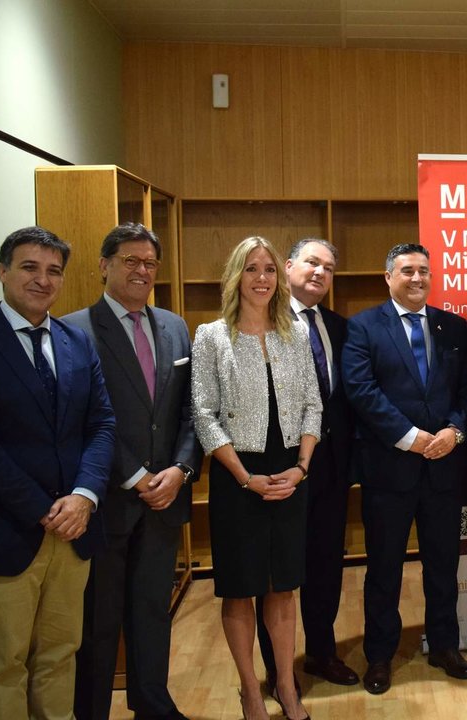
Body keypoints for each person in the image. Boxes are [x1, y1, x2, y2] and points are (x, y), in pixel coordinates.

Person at [0, 226, 115, 719]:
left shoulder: (76, 343)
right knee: (2, 667)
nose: (43, 280)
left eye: (53, 270)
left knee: (60, 656)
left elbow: (101, 424)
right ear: (3, 272)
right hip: (4, 534)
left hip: (74, 531)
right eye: (29, 267)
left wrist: (83, 496)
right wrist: (44, 510)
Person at [65, 223, 200, 720]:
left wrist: (181, 468)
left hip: (165, 499)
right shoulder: (74, 329)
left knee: (151, 614)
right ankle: (93, 711)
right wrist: (136, 475)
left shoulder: (174, 326)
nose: (141, 270)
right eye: (130, 260)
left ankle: (152, 703)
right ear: (103, 264)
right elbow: (83, 417)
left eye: (149, 263)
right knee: (98, 623)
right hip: (107, 502)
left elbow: (191, 411)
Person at [191, 236, 322, 720]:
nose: (262, 277)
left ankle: (285, 686)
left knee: (283, 587)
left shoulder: (296, 334)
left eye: (269, 268)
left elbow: (313, 404)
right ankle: (250, 690)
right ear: (235, 277)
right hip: (237, 476)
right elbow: (204, 415)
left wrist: (302, 467)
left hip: (290, 471)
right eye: (251, 269)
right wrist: (246, 478)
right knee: (240, 587)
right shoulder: (211, 336)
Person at [342, 243, 467, 695]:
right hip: (388, 470)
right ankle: (379, 656)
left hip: (443, 468)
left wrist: (454, 432)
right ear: (388, 276)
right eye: (406, 271)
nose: (417, 278)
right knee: (384, 569)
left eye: (423, 270)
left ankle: (444, 645)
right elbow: (361, 391)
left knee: (443, 564)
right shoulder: (362, 327)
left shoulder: (454, 327)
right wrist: (410, 437)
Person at [254, 239, 359, 693]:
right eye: (312, 263)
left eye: (329, 268)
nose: (320, 272)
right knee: (276, 575)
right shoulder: (262, 323)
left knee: (324, 567)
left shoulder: (339, 326)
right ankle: (279, 673)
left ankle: (321, 652)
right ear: (289, 266)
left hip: (331, 470)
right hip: (280, 470)